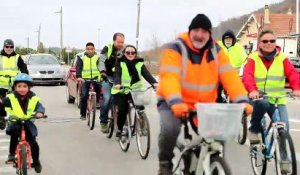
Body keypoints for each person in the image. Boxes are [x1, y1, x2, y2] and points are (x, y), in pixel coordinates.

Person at [157, 14, 253, 175]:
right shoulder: (175, 48)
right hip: (173, 101)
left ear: (209, 34)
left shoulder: (216, 51)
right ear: (189, 31)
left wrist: (242, 100)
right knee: (170, 129)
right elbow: (169, 77)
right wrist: (175, 101)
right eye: (196, 30)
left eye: (204, 31)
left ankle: (213, 165)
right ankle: (165, 163)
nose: (199, 35)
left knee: (216, 138)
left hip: (204, 106)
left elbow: (230, 77)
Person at [243, 29, 300, 173]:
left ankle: (285, 160)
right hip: (259, 99)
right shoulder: (253, 58)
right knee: (262, 106)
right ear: (260, 44)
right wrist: (252, 90)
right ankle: (254, 130)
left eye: (272, 41)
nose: (269, 43)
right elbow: (247, 76)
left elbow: (292, 73)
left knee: (283, 128)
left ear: (276, 43)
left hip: (278, 99)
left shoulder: (282, 58)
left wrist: (296, 88)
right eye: (265, 41)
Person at [111, 45, 157, 140]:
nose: (130, 54)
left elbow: (146, 74)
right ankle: (120, 129)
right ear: (124, 53)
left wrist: (154, 83)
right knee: (123, 109)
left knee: (140, 107)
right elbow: (117, 73)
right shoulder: (119, 62)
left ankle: (143, 126)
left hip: (136, 90)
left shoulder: (139, 63)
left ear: (135, 54)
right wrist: (118, 83)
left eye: (133, 53)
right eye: (128, 52)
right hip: (122, 90)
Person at [3, 73, 45, 173]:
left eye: (25, 86)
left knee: (33, 143)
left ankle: (36, 161)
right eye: (19, 86)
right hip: (15, 121)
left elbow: (39, 106)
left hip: (27, 122)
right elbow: (2, 103)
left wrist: (40, 112)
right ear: (15, 87)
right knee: (14, 135)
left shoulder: (33, 98)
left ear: (29, 87)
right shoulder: (11, 97)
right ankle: (12, 154)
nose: (22, 89)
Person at [98, 32, 125, 132]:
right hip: (107, 77)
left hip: (120, 79)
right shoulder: (107, 49)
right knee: (107, 98)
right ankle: (104, 122)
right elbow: (101, 61)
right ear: (114, 41)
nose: (121, 44)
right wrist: (103, 71)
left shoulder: (125, 50)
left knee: (124, 101)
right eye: (119, 42)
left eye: (122, 42)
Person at [0, 39, 28, 130]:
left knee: (15, 102)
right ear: (4, 47)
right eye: (7, 47)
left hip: (14, 84)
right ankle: (1, 118)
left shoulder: (17, 57)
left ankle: (15, 120)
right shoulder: (0, 57)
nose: (9, 48)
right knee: (1, 102)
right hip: (1, 84)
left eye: (11, 47)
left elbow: (23, 68)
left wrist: (24, 77)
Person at [76, 42, 101, 120]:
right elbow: (78, 67)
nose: (90, 50)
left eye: (91, 49)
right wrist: (79, 77)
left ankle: (96, 102)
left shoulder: (98, 57)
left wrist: (103, 75)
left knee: (99, 90)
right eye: (88, 49)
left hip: (96, 78)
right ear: (85, 50)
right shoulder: (81, 57)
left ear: (94, 49)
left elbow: (101, 67)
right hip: (85, 79)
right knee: (84, 96)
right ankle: (83, 114)